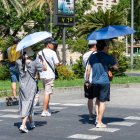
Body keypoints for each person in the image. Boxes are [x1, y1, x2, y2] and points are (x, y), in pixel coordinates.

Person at [85, 40, 118, 128]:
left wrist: (87, 80)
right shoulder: (108, 57)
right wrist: (115, 57)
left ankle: (97, 119)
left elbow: (88, 69)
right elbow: (116, 67)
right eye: (107, 46)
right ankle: (99, 122)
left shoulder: (92, 57)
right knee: (102, 102)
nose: (108, 48)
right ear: (104, 47)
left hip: (95, 82)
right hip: (104, 82)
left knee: (97, 100)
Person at [16, 47, 47, 133]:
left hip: (22, 85)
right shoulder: (34, 63)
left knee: (24, 103)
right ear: (30, 54)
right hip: (31, 86)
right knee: (29, 103)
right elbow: (45, 68)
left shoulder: (18, 62)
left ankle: (32, 122)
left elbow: (17, 71)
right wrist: (42, 59)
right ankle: (23, 125)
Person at [37, 38, 60, 117]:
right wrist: (59, 63)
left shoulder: (39, 52)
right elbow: (57, 64)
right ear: (48, 44)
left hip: (42, 75)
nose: (53, 45)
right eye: (52, 44)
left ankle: (47, 108)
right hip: (50, 75)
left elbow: (37, 64)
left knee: (47, 92)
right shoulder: (52, 52)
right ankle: (44, 111)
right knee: (47, 93)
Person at [83, 40, 99, 121]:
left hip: (87, 79)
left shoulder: (85, 55)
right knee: (98, 97)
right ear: (95, 46)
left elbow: (85, 67)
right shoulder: (97, 54)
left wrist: (86, 80)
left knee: (90, 98)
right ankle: (97, 114)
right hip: (96, 78)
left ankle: (90, 114)